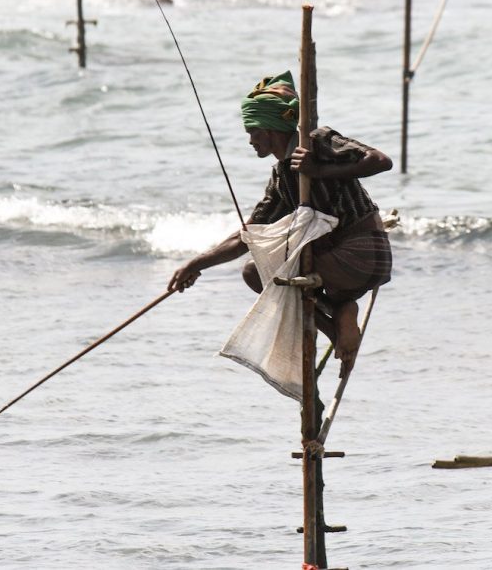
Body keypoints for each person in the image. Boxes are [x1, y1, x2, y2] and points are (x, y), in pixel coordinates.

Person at [168, 70, 392, 373]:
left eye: (253, 132)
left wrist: (319, 171)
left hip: (362, 254)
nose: (250, 141)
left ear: (271, 130)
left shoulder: (317, 142)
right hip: (341, 271)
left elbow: (381, 161)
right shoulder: (282, 176)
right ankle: (339, 318)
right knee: (255, 272)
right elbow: (246, 238)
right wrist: (195, 265)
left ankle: (340, 318)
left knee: (258, 272)